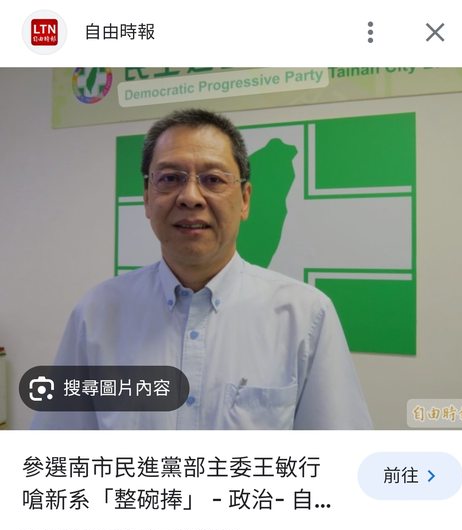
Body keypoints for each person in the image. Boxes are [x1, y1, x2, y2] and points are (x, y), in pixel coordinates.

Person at [32, 108, 372, 430]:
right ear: (147, 198)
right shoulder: (97, 313)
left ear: (245, 199)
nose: (190, 197)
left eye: (213, 179)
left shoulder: (304, 316)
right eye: (170, 178)